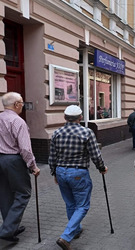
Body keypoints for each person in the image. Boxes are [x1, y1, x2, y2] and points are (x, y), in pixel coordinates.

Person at [49, 105, 108, 250]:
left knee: (70, 203)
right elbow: (95, 155)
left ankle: (76, 229)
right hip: (78, 173)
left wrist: (54, 173)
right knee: (82, 205)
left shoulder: (56, 133)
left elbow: (52, 157)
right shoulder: (86, 132)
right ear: (80, 117)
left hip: (61, 171)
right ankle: (66, 236)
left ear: (65, 117)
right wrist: (102, 168)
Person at [0, 92, 40, 242]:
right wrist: (33, 166)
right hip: (13, 160)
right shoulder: (18, 122)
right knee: (23, 193)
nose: (22, 106)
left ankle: (11, 226)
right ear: (16, 104)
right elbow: (25, 149)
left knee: (4, 194)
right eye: (22, 103)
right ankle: (7, 230)